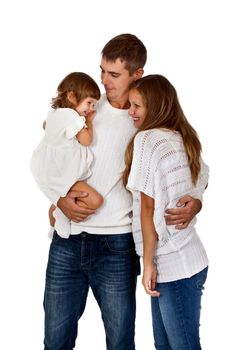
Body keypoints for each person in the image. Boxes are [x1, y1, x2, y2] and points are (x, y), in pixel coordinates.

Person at [34, 34, 202, 350]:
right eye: (102, 72)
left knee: (121, 341)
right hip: (66, 241)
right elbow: (46, 156)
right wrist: (57, 198)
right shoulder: (85, 110)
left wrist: (197, 201)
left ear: (137, 74)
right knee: (55, 341)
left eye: (114, 75)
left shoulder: (147, 117)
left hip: (116, 247)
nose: (104, 82)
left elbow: (195, 164)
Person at [124, 74, 209, 349]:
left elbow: (148, 207)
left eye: (137, 106)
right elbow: (202, 178)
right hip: (187, 260)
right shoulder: (180, 137)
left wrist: (147, 263)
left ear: (156, 107)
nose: (131, 112)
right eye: (130, 105)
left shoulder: (148, 139)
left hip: (174, 265)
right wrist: (197, 202)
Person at [30, 72, 103, 238]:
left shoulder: (54, 113)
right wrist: (89, 123)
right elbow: (86, 140)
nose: (91, 109)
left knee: (62, 198)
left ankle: (53, 221)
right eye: (89, 103)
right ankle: (59, 216)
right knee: (96, 201)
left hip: (47, 166)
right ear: (72, 97)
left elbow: (45, 125)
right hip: (61, 171)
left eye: (94, 105)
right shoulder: (72, 117)